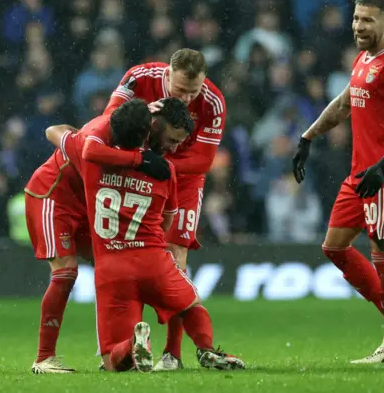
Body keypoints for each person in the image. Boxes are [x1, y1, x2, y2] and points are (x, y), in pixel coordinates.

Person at [58, 99, 245, 372]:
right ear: (151, 129)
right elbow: (168, 219)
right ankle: (206, 349)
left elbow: (57, 132)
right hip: (152, 259)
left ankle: (132, 344)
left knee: (112, 361)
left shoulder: (92, 160)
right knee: (191, 305)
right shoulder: (165, 170)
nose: (174, 147)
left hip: (111, 267)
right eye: (172, 140)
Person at [292, 0, 384, 363]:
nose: (358, 26)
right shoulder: (365, 58)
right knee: (334, 246)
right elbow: (345, 102)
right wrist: (308, 136)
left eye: (367, 20)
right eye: (355, 19)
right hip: (359, 173)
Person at [97, 48, 225, 370]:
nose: (185, 98)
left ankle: (173, 353)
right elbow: (110, 120)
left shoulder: (213, 102)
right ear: (167, 74)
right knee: (137, 254)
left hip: (180, 180)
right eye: (180, 90)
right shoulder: (139, 78)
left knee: (176, 259)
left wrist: (162, 166)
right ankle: (129, 341)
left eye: (192, 92)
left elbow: (203, 161)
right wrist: (141, 159)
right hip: (137, 168)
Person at [26, 101, 170, 374]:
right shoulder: (90, 143)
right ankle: (44, 358)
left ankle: (115, 347)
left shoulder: (125, 134)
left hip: (84, 206)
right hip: (51, 197)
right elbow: (54, 131)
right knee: (66, 273)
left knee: (118, 266)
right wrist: (140, 161)